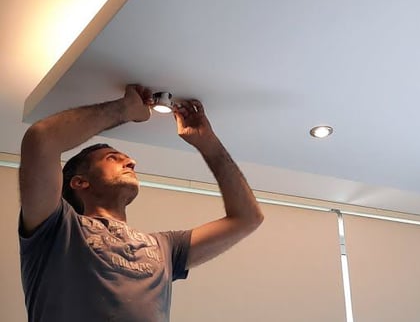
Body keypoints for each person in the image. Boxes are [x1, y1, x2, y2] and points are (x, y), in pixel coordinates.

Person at [18, 84, 264, 321]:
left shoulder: (165, 247)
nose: (131, 162)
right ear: (80, 182)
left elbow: (248, 218)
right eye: (113, 158)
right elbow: (42, 139)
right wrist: (125, 109)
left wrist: (208, 144)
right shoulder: (57, 230)